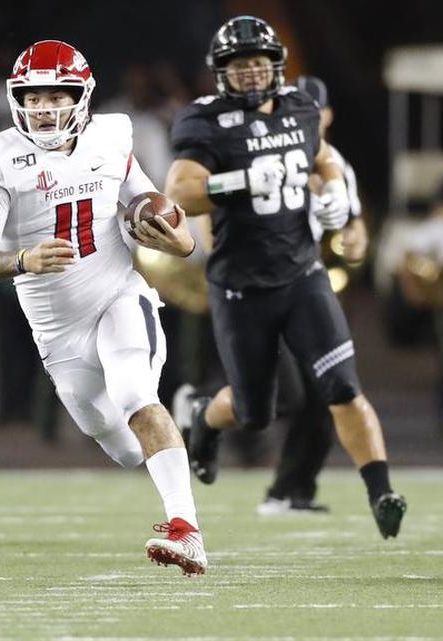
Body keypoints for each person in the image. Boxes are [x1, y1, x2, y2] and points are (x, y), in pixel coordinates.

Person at [0, 40, 208, 575]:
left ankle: (186, 530)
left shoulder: (112, 135)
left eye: (57, 95)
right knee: (122, 447)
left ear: (83, 96)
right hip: (57, 332)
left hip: (118, 293)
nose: (45, 107)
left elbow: (153, 206)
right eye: (34, 96)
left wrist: (174, 237)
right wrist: (23, 258)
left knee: (134, 393)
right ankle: (189, 418)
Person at [165, 16, 406, 538]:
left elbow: (320, 156)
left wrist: (337, 189)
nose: (251, 73)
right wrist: (241, 181)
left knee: (342, 386)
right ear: (221, 72)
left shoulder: (300, 109)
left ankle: (381, 490)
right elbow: (180, 192)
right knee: (256, 412)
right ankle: (206, 414)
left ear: (276, 66)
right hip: (240, 286)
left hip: (303, 276)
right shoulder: (205, 121)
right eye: (239, 65)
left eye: (259, 63)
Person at [253, 74, 369, 516]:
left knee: (329, 391)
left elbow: (353, 226)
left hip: (307, 286)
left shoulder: (334, 161)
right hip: (258, 287)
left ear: (326, 115)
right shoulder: (259, 152)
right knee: (282, 396)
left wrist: (356, 240)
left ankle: (289, 491)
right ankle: (205, 406)